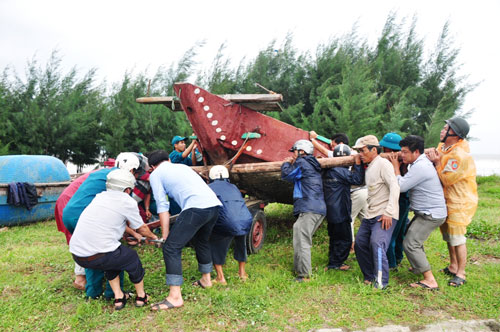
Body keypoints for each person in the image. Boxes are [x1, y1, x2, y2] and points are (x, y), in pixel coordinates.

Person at [63, 152, 148, 299]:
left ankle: (93, 291)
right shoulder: (119, 180)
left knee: (90, 249)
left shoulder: (103, 173)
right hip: (82, 213)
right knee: (110, 250)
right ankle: (113, 294)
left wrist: (132, 233)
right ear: (131, 170)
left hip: (69, 211)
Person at [69, 169, 158, 310]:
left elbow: (115, 222)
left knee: (113, 257)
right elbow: (141, 228)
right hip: (99, 255)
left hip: (79, 255)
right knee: (131, 258)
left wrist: (134, 234)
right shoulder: (126, 201)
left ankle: (119, 297)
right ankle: (141, 296)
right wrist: (153, 237)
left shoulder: (100, 197)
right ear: (127, 189)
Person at [147, 150, 222, 311]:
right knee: (201, 241)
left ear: (152, 166)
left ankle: (175, 297)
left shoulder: (155, 174)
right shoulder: (182, 167)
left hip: (196, 207)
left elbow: (162, 206)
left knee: (171, 248)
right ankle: (206, 279)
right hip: (213, 205)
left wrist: (165, 235)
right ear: (168, 159)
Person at [388, 135, 447, 290]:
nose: (402, 155)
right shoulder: (418, 163)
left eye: (405, 152)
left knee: (411, 243)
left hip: (431, 214)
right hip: (427, 212)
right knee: (412, 239)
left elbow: (401, 187)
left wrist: (395, 167)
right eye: (401, 151)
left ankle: (429, 280)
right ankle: (418, 267)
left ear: (416, 152)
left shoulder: (421, 166)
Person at [426, 117, 478, 287]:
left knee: (457, 238)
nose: (442, 130)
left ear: (455, 134)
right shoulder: (444, 147)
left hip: (459, 201)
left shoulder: (459, 156)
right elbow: (437, 154)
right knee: (448, 236)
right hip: (445, 198)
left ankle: (461, 273)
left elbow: (447, 179)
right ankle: (453, 265)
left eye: (445, 128)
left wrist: (436, 162)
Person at [353, 135, 400, 289]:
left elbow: (394, 186)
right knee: (360, 243)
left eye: (363, 150)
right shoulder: (370, 166)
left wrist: (389, 212)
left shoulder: (383, 164)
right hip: (370, 214)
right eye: (358, 151)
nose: (360, 153)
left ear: (374, 149)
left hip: (384, 213)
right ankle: (369, 276)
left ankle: (381, 283)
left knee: (377, 243)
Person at [281, 139, 326, 282]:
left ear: (301, 151)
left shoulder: (302, 162)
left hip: (309, 207)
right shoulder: (313, 164)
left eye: (294, 151)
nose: (293, 154)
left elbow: (288, 175)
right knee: (300, 236)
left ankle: (304, 275)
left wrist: (286, 163)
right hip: (316, 207)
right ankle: (299, 269)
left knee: (302, 241)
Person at [207, 165, 253, 284]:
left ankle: (220, 277)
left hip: (226, 222)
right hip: (245, 220)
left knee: (216, 244)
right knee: (241, 244)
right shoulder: (233, 187)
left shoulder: (209, 187)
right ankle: (242, 273)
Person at [322, 144, 364, 271]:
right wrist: (357, 164)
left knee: (334, 236)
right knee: (345, 239)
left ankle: (333, 259)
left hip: (330, 210)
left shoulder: (326, 170)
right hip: (340, 210)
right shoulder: (341, 172)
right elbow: (358, 180)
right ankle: (336, 264)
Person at [379, 132, 411, 270]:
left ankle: (391, 263)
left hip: (398, 200)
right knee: (399, 231)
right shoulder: (403, 160)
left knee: (391, 233)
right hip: (405, 199)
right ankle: (398, 257)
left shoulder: (395, 162)